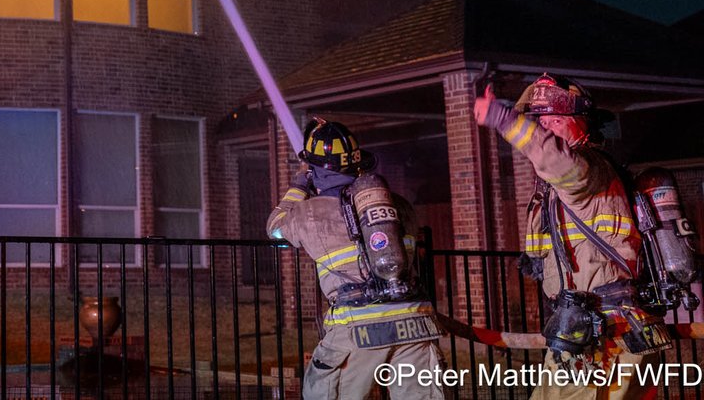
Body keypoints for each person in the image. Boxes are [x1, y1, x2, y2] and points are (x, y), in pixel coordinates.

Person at [475, 73, 669, 399]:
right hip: (593, 331)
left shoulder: (587, 170)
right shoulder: (564, 187)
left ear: (580, 123)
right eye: (540, 122)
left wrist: (502, 118)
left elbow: (556, 161)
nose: (544, 129)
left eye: (553, 121)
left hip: (605, 334)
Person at [267, 119, 449, 400]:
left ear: (315, 170)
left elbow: (275, 229)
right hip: (414, 318)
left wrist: (299, 186)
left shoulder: (309, 213)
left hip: (357, 327)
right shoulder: (398, 206)